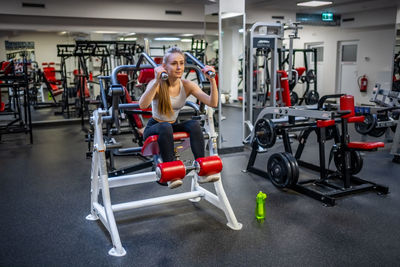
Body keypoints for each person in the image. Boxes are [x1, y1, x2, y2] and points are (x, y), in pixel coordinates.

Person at [139, 47, 218, 189]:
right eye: (174, 63)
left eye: (181, 63)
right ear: (164, 67)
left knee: (194, 124)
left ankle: (202, 170)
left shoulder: (187, 85)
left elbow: (213, 103)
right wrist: (157, 81)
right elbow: (143, 105)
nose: (179, 67)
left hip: (171, 125)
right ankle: (170, 174)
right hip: (154, 127)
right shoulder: (156, 84)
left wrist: (212, 80)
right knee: (165, 126)